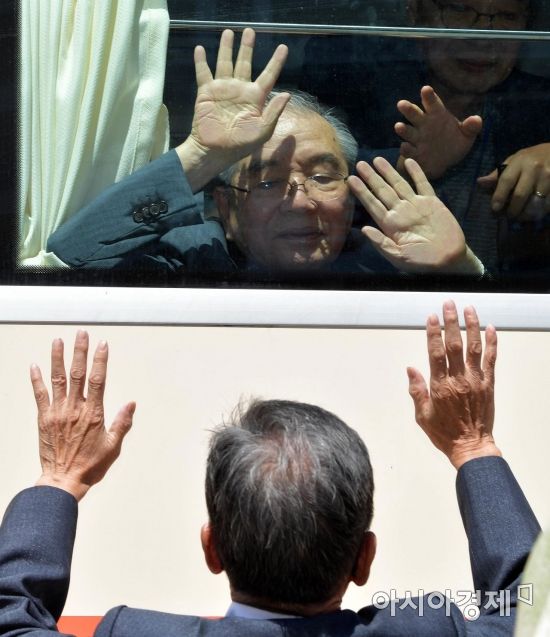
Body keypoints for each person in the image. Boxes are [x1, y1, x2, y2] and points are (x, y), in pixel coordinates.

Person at [0, 301, 540, 635]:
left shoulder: (132, 633)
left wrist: (60, 478)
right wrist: (473, 446)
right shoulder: (432, 630)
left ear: (212, 549)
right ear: (364, 559)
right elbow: (530, 607)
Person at [46, 29, 484, 278]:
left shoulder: (382, 261)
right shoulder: (192, 259)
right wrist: (200, 154)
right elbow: (71, 258)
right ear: (226, 208)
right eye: (269, 181)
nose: (302, 202)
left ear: (352, 199)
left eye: (322, 177)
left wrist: (460, 269)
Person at [301, 0, 550, 273]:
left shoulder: (538, 103)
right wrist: (407, 167)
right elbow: (306, 196)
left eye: (506, 16)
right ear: (417, 14)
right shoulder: (352, 83)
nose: (482, 38)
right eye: (460, 10)